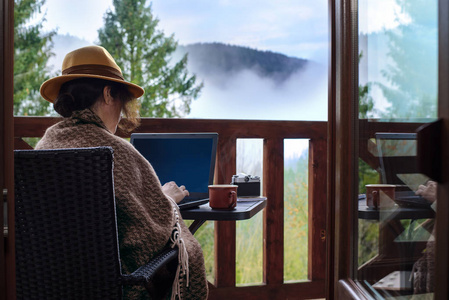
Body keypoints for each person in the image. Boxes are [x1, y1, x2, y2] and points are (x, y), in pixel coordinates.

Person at [36, 45, 208, 300]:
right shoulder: (117, 153)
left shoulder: (44, 147)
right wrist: (166, 201)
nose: (121, 113)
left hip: (50, 285)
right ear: (107, 94)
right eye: (120, 100)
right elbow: (151, 240)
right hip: (117, 289)